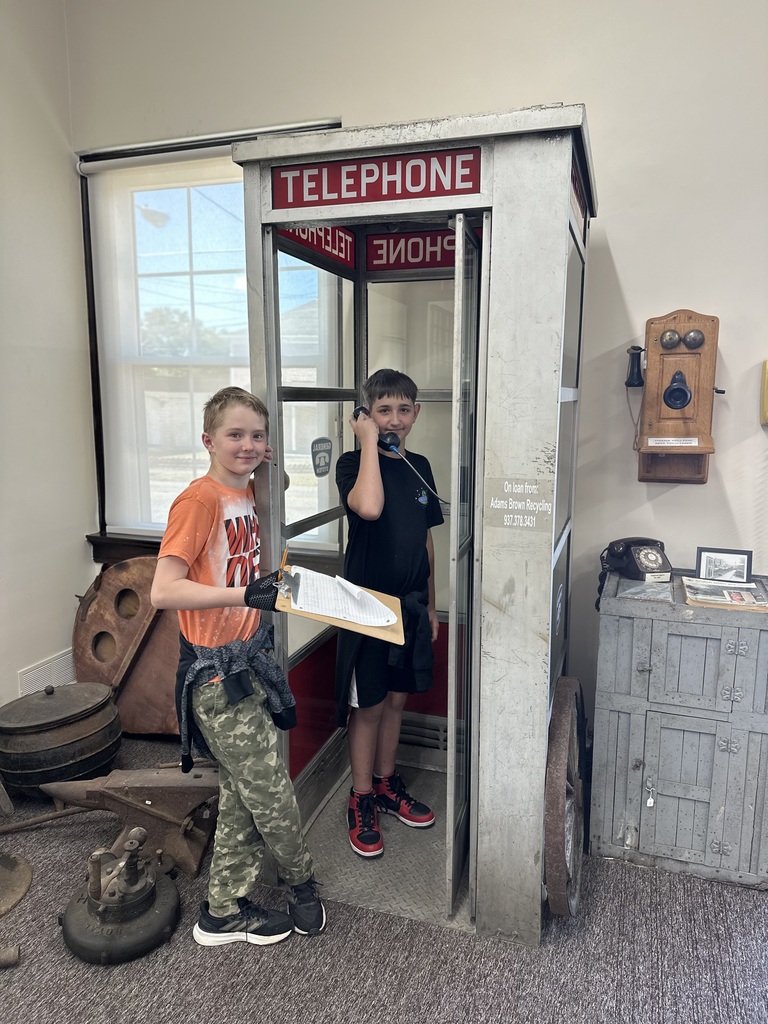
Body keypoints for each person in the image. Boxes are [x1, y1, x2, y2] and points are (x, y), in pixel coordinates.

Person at [151, 386, 325, 946]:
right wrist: (241, 594)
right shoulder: (199, 501)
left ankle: (222, 909)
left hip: (247, 662)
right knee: (270, 790)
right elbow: (163, 590)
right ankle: (302, 885)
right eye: (235, 435)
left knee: (243, 791)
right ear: (208, 440)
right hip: (215, 677)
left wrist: (271, 468)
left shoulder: (247, 488)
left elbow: (276, 498)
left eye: (257, 436)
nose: (247, 445)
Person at [335, 368, 445, 857]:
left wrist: (433, 602)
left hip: (411, 607)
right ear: (367, 415)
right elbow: (371, 508)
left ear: (416, 414)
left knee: (397, 702)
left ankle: (385, 783)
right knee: (371, 704)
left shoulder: (420, 465)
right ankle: (359, 797)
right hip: (366, 606)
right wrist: (368, 445)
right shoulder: (352, 465)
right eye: (384, 411)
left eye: (404, 410)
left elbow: (426, 541)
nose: (395, 419)